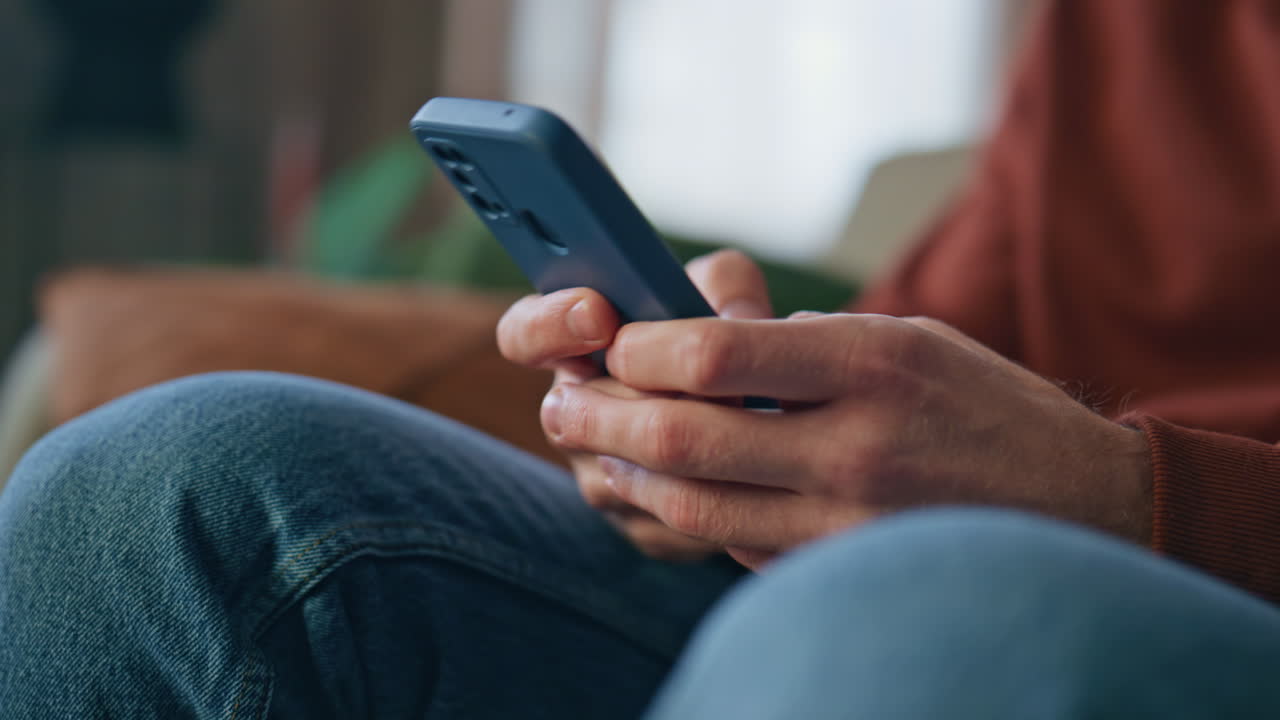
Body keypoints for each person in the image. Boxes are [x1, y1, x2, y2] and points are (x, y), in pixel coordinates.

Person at [3, 0, 1280, 716]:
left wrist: (1126, 496)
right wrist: (747, 425)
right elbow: (941, 337)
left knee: (915, 619)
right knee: (157, 483)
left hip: (1154, 604)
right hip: (862, 589)